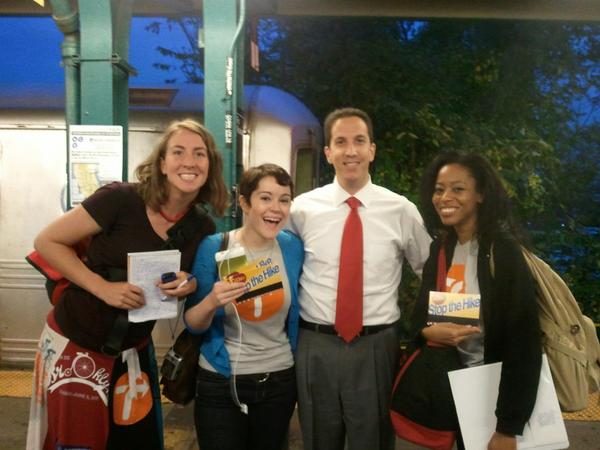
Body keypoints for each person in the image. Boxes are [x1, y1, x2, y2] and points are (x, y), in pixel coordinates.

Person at [26, 118, 229, 450]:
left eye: (199, 154)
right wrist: (101, 287)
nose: (189, 162)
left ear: (210, 165)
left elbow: (184, 283)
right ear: (162, 163)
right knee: (75, 443)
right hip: (77, 343)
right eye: (178, 152)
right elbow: (48, 241)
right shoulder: (119, 199)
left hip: (132, 352)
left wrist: (187, 284)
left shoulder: (201, 226)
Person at [287, 107, 431, 450]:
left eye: (359, 141)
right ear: (328, 152)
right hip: (315, 344)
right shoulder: (301, 210)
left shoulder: (401, 210)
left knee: (374, 441)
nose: (350, 151)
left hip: (376, 346)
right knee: (319, 439)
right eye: (340, 142)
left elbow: (432, 272)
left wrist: (435, 330)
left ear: (372, 150)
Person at [411, 151, 542, 450]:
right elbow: (419, 318)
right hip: (458, 386)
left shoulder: (502, 251)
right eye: (439, 189)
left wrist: (508, 427)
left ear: (481, 194)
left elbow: (524, 342)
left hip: (497, 392)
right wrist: (428, 332)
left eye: (458, 189)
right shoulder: (442, 249)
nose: (445, 197)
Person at [184, 163, 303, 450]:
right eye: (265, 198)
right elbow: (192, 321)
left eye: (284, 200)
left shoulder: (292, 247)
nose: (276, 208)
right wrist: (212, 300)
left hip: (279, 378)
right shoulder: (215, 247)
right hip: (221, 380)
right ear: (245, 203)